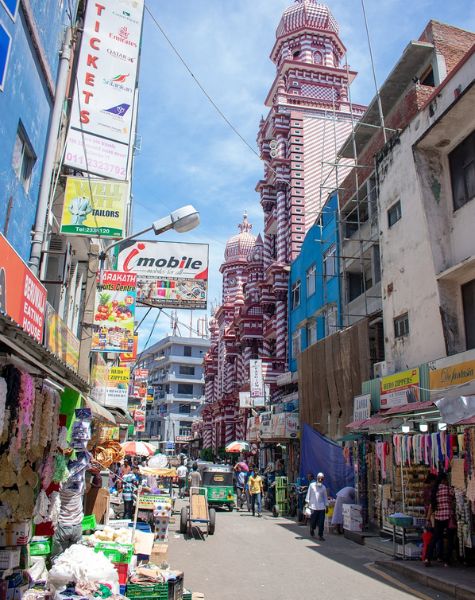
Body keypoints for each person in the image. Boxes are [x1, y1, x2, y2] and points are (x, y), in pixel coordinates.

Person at [425, 472, 455, 567]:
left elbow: (432, 505)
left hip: (438, 517)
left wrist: (428, 518)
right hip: (448, 517)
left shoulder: (435, 491)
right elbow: (454, 495)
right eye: (446, 480)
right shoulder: (447, 489)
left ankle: (427, 558)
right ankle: (447, 560)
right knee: (450, 539)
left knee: (435, 538)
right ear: (444, 480)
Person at [51, 482, 84, 559]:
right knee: (74, 558)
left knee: (58, 558)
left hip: (63, 525)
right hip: (77, 526)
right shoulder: (80, 486)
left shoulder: (60, 486)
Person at [305, 472, 328, 541]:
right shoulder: (311, 485)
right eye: (319, 478)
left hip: (321, 508)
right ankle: (312, 529)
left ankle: (320, 535)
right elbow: (308, 495)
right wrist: (307, 505)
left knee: (321, 522)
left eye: (322, 479)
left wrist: (326, 506)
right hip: (313, 507)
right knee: (313, 522)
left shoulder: (323, 488)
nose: (320, 480)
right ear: (317, 478)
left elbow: (325, 498)